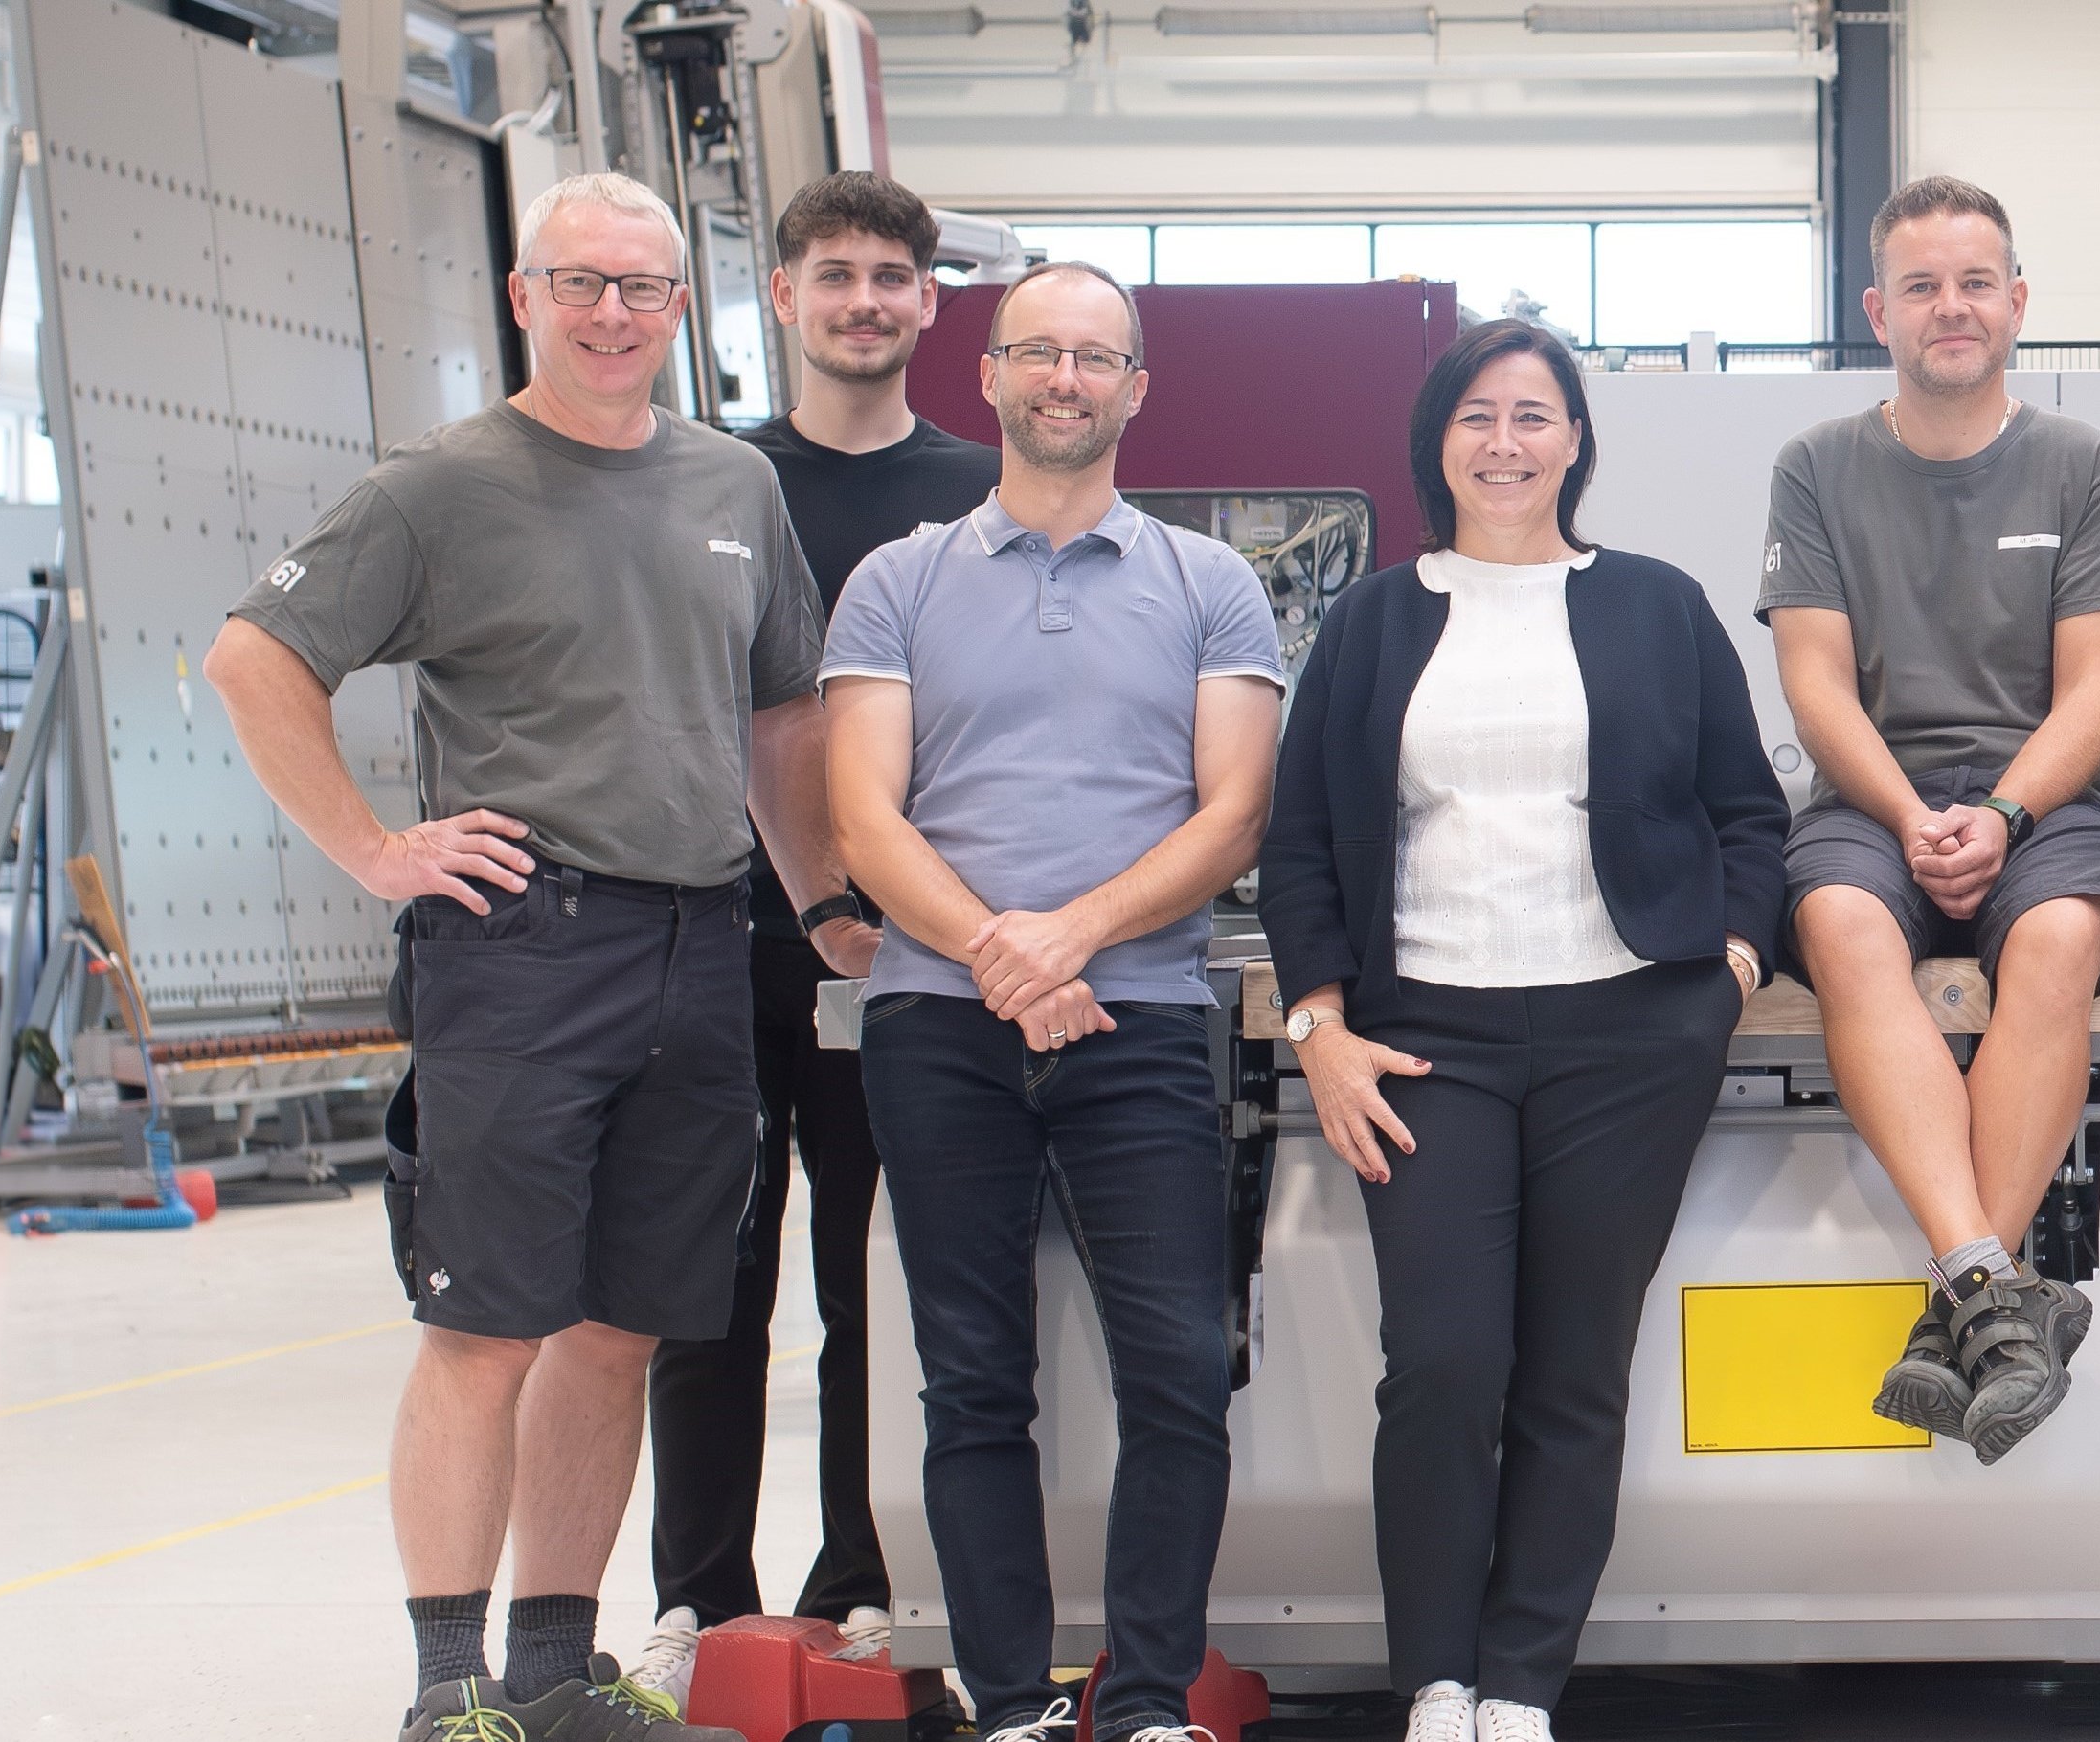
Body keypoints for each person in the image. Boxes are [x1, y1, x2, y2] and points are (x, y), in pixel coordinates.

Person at [209, 171, 814, 1742]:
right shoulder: (438, 488)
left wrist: (824, 906)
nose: (612, 312)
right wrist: (374, 847)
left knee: (620, 1325)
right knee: (484, 1326)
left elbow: (778, 720)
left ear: (679, 306)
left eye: (642, 286)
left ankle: (551, 1669)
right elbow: (254, 655)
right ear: (522, 295)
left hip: (700, 943)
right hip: (523, 948)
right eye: (580, 282)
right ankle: (448, 1687)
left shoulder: (735, 484)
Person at [1271, 317, 1790, 1742]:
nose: (1505, 442)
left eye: (1534, 415)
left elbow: (1749, 812)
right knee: (1442, 1364)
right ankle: (1435, 1677)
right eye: (1477, 416)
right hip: (1425, 1035)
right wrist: (1318, 1020)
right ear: (1436, 442)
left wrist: (1731, 966)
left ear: (1575, 440)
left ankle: (1518, 1684)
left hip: (1630, 1032)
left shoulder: (1658, 605)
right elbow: (1300, 837)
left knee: (1575, 1370)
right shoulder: (1373, 619)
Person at [810, 262, 1282, 1742]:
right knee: (970, 1379)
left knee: (1180, 1373)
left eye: (1094, 356)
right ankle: (1011, 1703)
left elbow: (1234, 812)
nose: (1064, 378)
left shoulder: (1211, 583)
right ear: (990, 376)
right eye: (1038, 352)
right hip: (937, 1027)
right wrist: (998, 954)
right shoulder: (896, 580)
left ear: (1135, 386)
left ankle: (1141, 1704)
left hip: (1138, 1019)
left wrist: (1067, 936)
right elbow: (863, 817)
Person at [640, 170, 987, 1673]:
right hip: (710, 936)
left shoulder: (982, 492)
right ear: (780, 296)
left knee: (870, 1281)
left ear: (929, 303)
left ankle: (863, 1572)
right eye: (833, 274)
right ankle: (700, 1597)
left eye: (890, 276)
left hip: (896, 946)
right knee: (704, 1286)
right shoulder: (702, 481)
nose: (863, 300)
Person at [1762, 175, 2100, 1460]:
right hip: (1869, 796)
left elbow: (2096, 690)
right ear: (1877, 310)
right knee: (1838, 919)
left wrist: (1999, 810)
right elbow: (1816, 683)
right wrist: (1906, 814)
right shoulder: (1816, 468)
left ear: (2017, 302)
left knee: (2057, 938)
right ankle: (1999, 1290)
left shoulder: (2083, 466)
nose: (1952, 307)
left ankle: (1963, 1300)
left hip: (2043, 800)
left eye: (1976, 282)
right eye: (1923, 286)